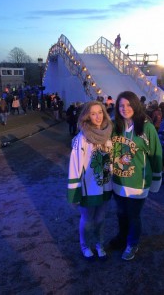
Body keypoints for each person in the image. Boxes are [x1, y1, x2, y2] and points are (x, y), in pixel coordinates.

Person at [110, 91, 163, 260]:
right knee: (120, 213)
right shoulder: (115, 126)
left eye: (129, 104)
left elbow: (156, 154)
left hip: (137, 183)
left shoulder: (146, 128)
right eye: (121, 105)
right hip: (118, 180)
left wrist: (156, 178)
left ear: (136, 105)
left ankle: (132, 243)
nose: (125, 108)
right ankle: (122, 237)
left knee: (133, 216)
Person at [67, 101, 113, 260]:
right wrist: (74, 191)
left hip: (105, 185)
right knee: (87, 220)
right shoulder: (82, 138)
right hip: (88, 188)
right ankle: (84, 245)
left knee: (100, 219)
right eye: (93, 113)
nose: (98, 116)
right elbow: (75, 165)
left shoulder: (108, 135)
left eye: (100, 112)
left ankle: (99, 244)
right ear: (87, 115)